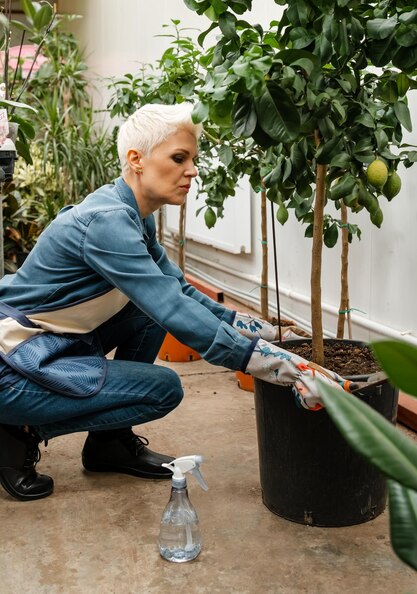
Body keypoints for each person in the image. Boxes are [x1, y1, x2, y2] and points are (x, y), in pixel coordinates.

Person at [0, 103, 350, 501]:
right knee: (163, 389)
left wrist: (267, 332)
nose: (194, 171)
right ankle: (16, 430)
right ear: (137, 160)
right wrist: (284, 367)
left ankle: (108, 445)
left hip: (48, 344)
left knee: (146, 313)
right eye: (179, 158)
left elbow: (177, 292)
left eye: (193, 159)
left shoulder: (135, 214)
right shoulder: (107, 222)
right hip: (10, 366)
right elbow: (174, 310)